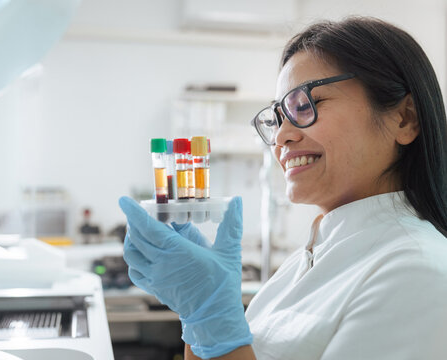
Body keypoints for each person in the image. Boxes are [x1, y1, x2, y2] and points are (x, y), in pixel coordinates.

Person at [118, 16, 447, 359]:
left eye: (306, 105)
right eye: (277, 117)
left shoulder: (418, 274)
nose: (280, 137)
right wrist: (199, 314)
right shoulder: (310, 258)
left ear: (405, 119)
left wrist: (210, 314)